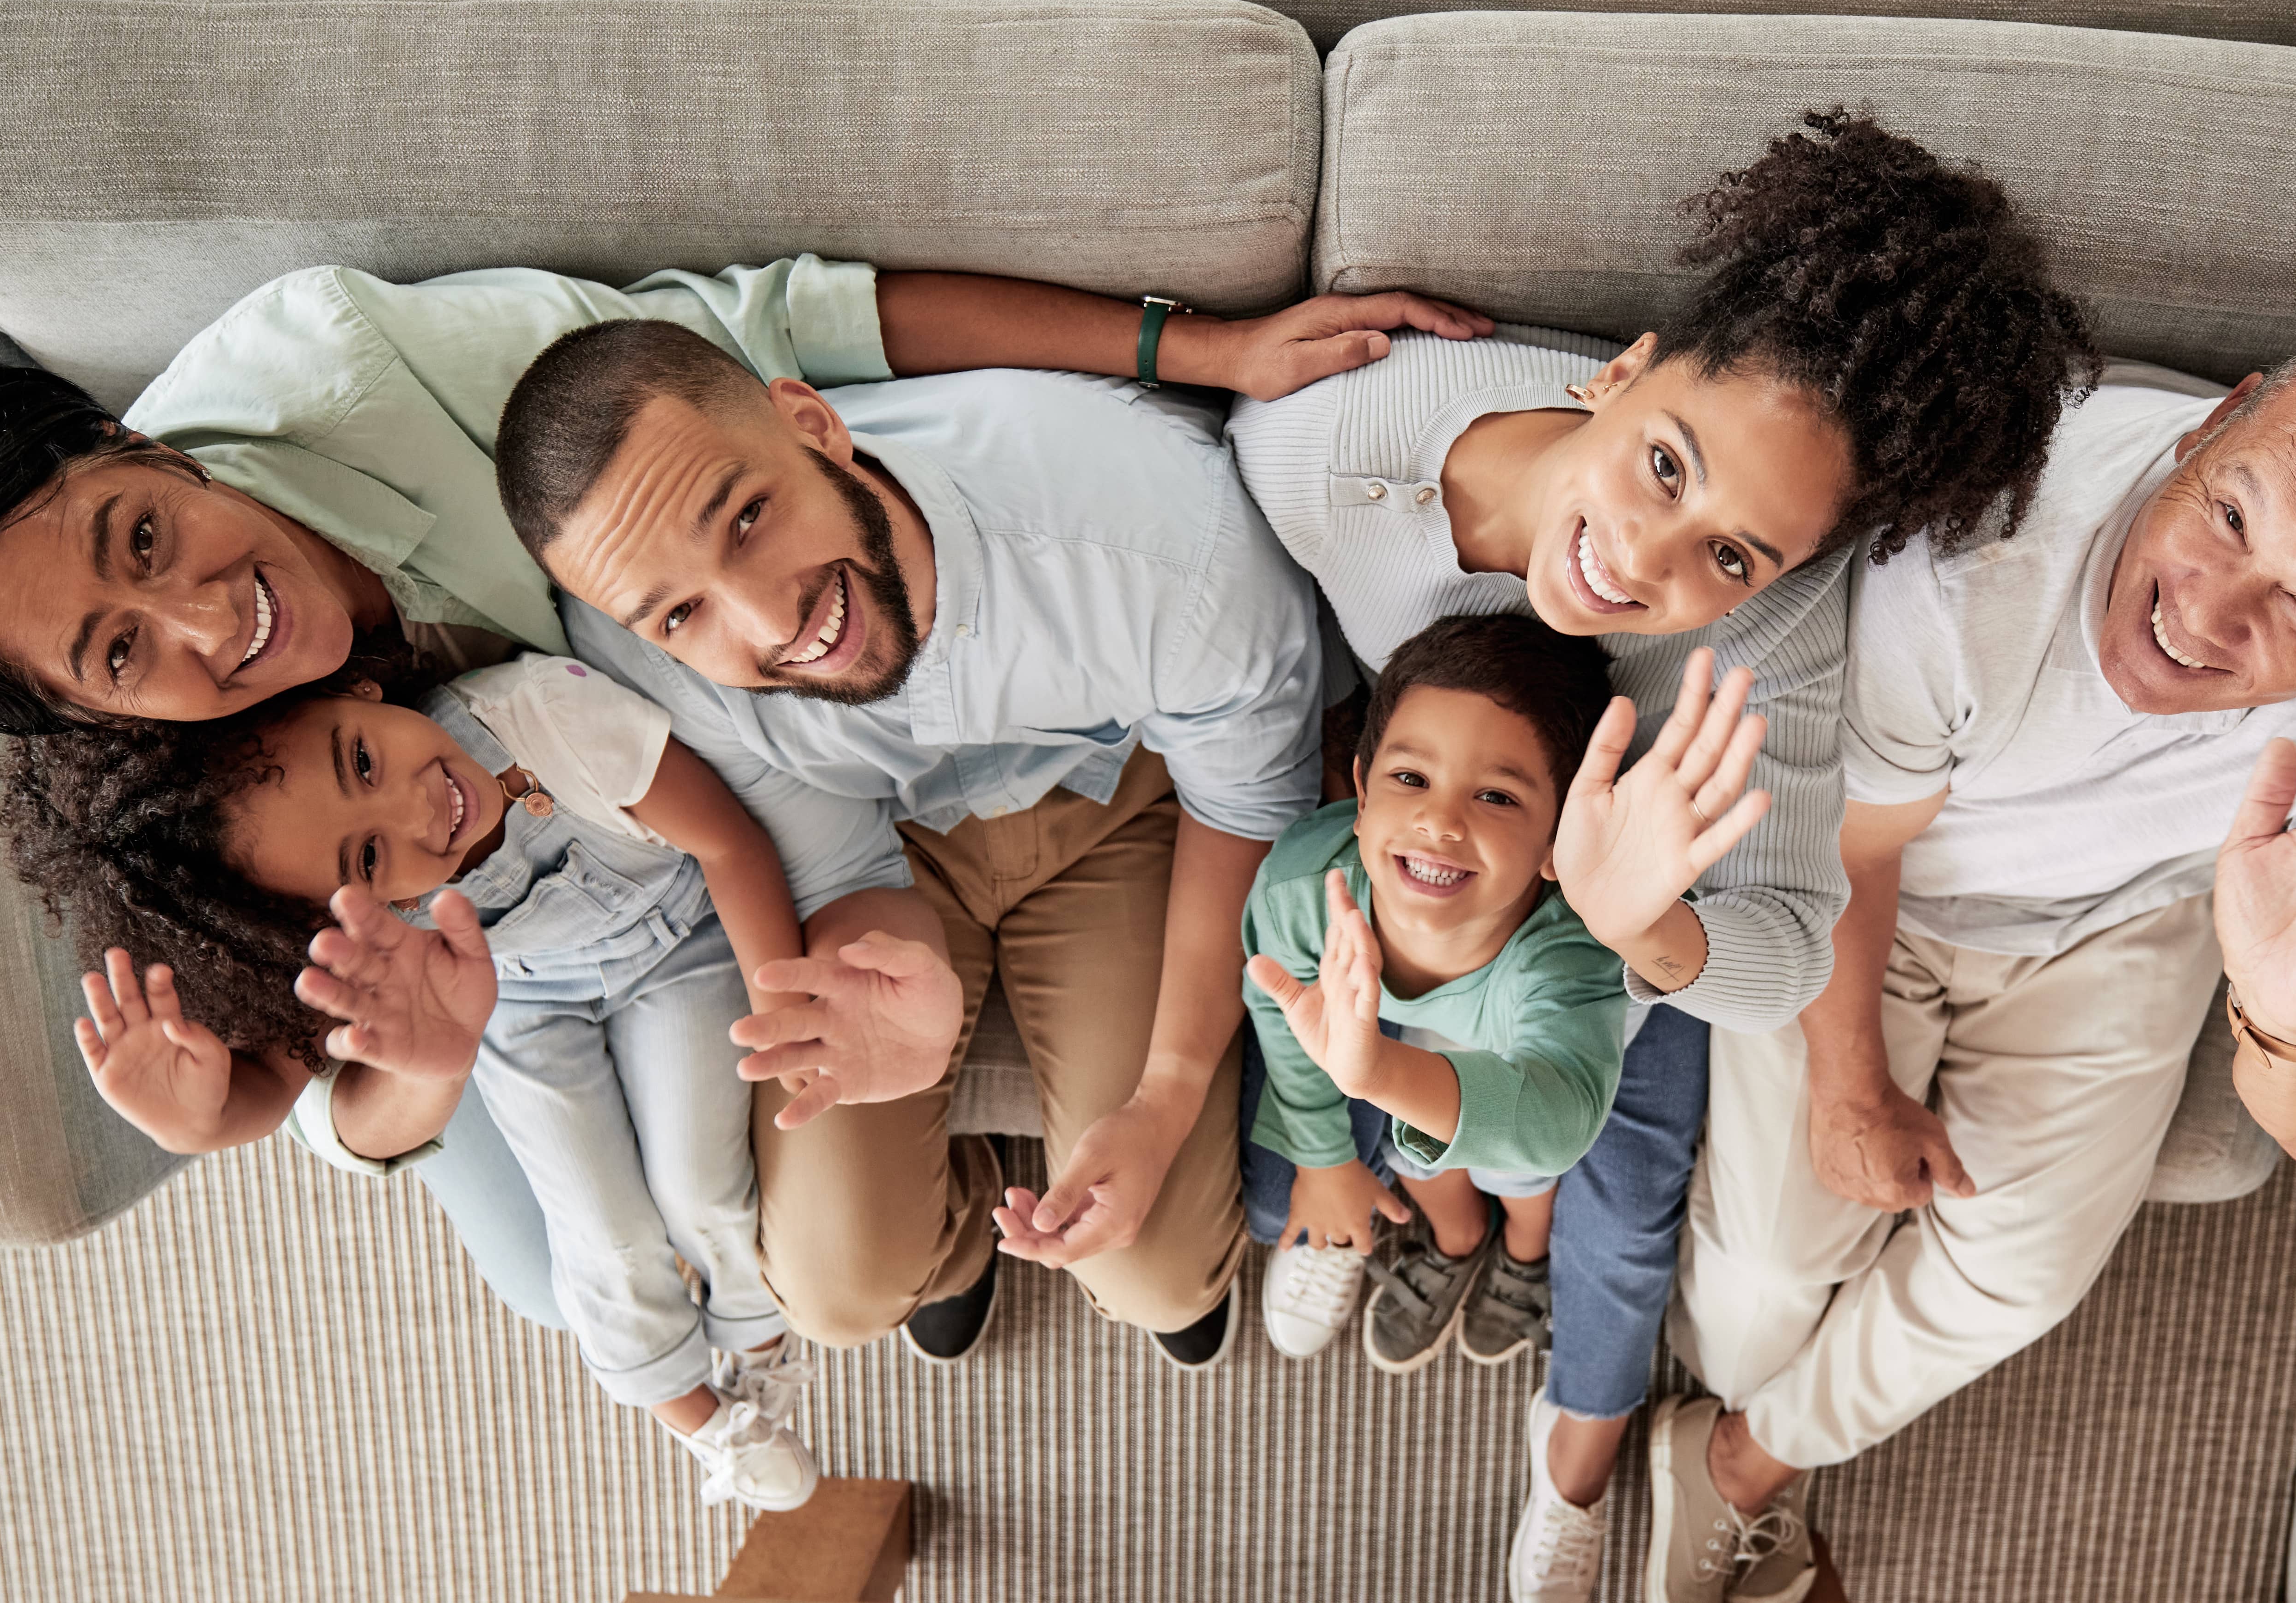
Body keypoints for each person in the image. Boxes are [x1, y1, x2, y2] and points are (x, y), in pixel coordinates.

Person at [0, 254, 1481, 1322]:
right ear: (88, 713)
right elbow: (325, 1060)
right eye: (122, 653)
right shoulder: (187, 771)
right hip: (512, 946)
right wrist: (253, 1117)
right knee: (582, 1282)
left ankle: (962, 1208)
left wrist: (1195, 343)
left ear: (140, 447)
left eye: (143, 536)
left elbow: (767, 337)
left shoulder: (338, 365)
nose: (213, 622)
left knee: (1076, 1250)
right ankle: (940, 1235)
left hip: (739, 801)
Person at [1221, 112, 2095, 1603]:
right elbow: (1236, 507)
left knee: (1620, 1215)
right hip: (1419, 878)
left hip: (1590, 955)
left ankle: (1582, 1446)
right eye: (1664, 464)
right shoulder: (1325, 447)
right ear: (1618, 373)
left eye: (1735, 552)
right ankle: (1429, 1221)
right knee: (1292, 1150)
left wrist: (1646, 925)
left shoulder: (1766, 635)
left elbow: (1787, 955)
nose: (1646, 562)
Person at [1654, 332, 2296, 1603]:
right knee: (1756, 1296)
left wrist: (2293, 1020)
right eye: (2229, 515)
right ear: (2210, 423)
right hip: (1872, 877)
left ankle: (1740, 1461)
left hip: (2127, 916)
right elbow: (1851, 843)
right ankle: (1741, 1398)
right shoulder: (1988, 526)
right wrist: (1850, 1090)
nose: (2206, 612)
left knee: (2016, 1273)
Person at [494, 318, 1331, 1369]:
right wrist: (909, 992)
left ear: (813, 426)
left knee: (1159, 1278)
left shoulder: (1162, 538)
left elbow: (1248, 806)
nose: (767, 624)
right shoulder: (638, 652)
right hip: (895, 848)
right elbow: (842, 865)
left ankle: (1133, 1246)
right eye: (681, 613)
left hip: (1129, 804)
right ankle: (959, 1235)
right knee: (837, 1294)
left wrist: (1165, 1095)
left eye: (748, 518)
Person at [0, 652, 864, 1512]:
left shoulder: (536, 715)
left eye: (363, 761)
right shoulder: (348, 910)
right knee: (600, 1228)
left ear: (352, 689)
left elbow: (726, 840)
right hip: (524, 1002)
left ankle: (754, 1341)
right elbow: (278, 1091)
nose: (418, 808)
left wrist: (782, 1004)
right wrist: (200, 1120)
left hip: (673, 947)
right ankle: (698, 1418)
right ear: (337, 911)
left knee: (699, 1182)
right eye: (369, 859)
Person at [1243, 616, 1695, 1389]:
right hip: (1431, 1040)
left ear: (1560, 839)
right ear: (1360, 792)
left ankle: (1524, 1254)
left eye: (1495, 796)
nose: (1440, 822)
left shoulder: (1567, 954)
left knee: (1535, 1188)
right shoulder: (1301, 887)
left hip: (1571, 1048)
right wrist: (1324, 1152)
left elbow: (1557, 1120)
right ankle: (1457, 1239)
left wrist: (1377, 1071)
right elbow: (1286, 1018)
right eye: (1410, 779)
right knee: (1321, 1185)